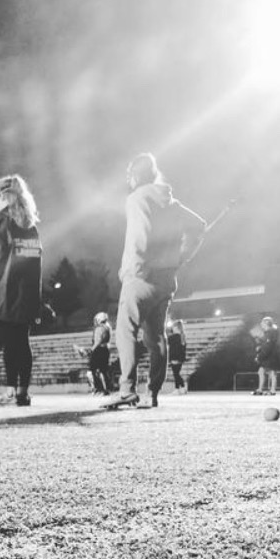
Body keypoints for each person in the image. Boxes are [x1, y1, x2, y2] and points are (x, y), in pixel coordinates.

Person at [103, 153, 206, 409]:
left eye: (129, 175)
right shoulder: (171, 201)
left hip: (141, 276)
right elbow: (199, 226)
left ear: (136, 175)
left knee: (126, 331)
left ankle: (127, 390)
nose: (128, 180)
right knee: (156, 336)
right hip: (166, 279)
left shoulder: (137, 197)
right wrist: (182, 257)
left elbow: (140, 232)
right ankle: (154, 392)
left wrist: (134, 267)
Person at [0, 174, 43, 407]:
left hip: (7, 293)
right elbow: (36, 265)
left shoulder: (3, 222)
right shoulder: (31, 226)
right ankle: (23, 392)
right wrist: (38, 299)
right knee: (23, 342)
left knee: (11, 345)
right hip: (28, 295)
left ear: (4, 195)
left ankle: (12, 392)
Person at [252, 316, 279, 395]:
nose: (261, 324)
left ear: (267, 323)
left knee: (272, 373)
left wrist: (259, 356)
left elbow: (268, 346)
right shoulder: (269, 332)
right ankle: (260, 389)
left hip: (270, 356)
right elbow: (266, 345)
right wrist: (260, 347)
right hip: (269, 355)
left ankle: (272, 390)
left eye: (262, 322)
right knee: (261, 371)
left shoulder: (270, 332)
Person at [88, 312, 112, 395]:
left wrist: (91, 350)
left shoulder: (99, 328)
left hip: (99, 350)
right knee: (104, 371)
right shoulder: (108, 327)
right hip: (105, 350)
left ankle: (97, 389)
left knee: (92, 371)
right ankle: (107, 389)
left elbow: (97, 341)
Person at [167, 319, 187, 393]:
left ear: (176, 328)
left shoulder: (173, 337)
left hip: (174, 357)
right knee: (177, 373)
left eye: (174, 327)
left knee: (176, 374)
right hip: (180, 358)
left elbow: (167, 342)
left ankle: (177, 389)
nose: (173, 328)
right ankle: (183, 387)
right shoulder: (183, 336)